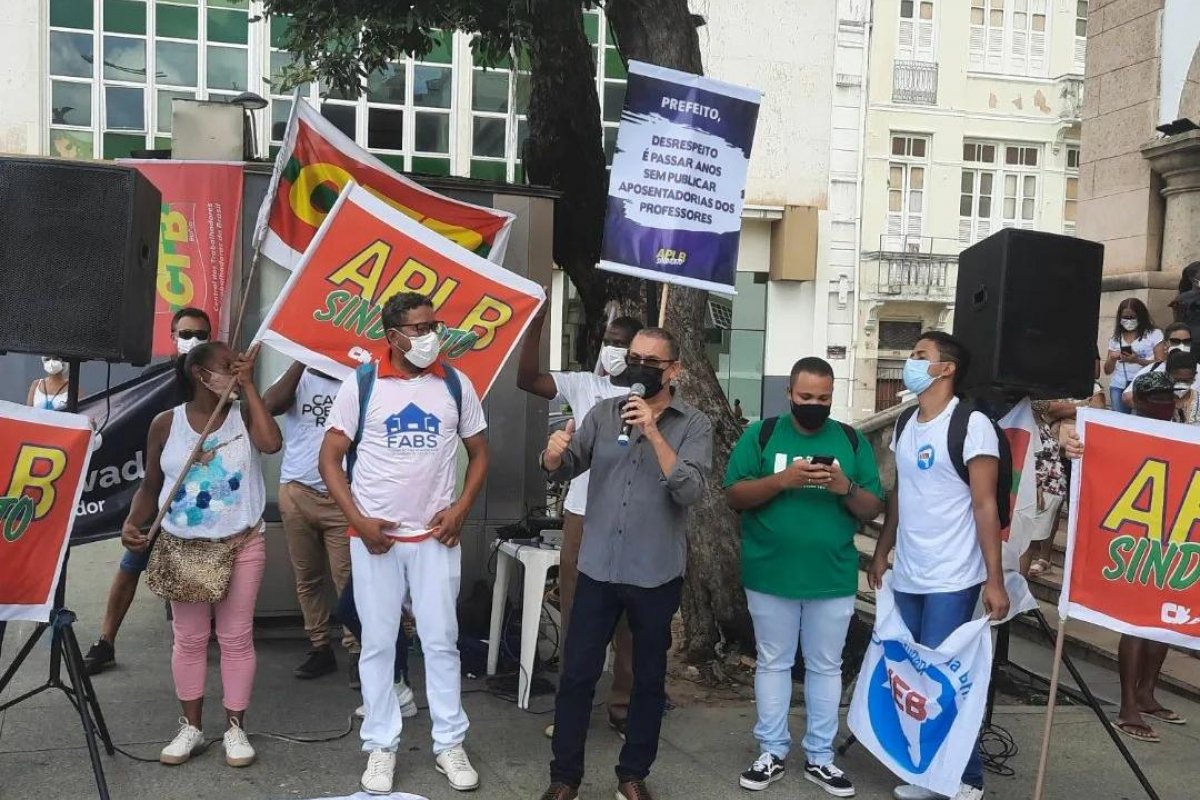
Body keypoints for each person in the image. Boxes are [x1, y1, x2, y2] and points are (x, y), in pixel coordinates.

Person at [319, 292, 488, 795]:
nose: (428, 336)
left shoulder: (456, 383)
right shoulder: (363, 384)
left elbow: (480, 453)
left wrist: (460, 510)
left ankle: (449, 743)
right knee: (377, 643)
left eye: (432, 325)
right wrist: (359, 521)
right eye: (416, 329)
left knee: (440, 640)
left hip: (436, 537)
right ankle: (380, 746)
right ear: (391, 337)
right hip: (376, 542)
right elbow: (330, 459)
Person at [538, 328, 713, 800]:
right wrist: (552, 457)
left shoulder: (694, 424)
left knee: (647, 680)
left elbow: (691, 490)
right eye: (632, 358)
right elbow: (569, 463)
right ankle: (564, 778)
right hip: (597, 567)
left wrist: (653, 432)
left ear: (672, 370)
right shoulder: (602, 414)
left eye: (649, 362)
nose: (636, 368)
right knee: (577, 674)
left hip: (654, 573)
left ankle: (633, 774)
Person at [725, 358, 883, 797]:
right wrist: (782, 480)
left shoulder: (849, 440)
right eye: (806, 397)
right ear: (789, 394)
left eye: (823, 399)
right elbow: (734, 494)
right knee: (773, 661)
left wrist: (844, 488)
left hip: (831, 575)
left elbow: (872, 507)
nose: (814, 405)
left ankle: (820, 756)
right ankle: (771, 751)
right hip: (769, 572)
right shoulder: (762, 434)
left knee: (825, 666)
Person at [120, 340, 281, 767]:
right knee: (188, 639)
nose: (238, 368)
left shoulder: (245, 414)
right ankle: (190, 727)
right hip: (182, 547)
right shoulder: (164, 424)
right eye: (229, 365)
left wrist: (248, 388)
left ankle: (235, 729)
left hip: (242, 542)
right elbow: (151, 486)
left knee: (235, 638)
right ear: (200, 373)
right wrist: (133, 524)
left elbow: (271, 443)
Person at [867, 331, 1009, 800]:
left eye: (919, 356)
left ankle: (966, 780)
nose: (910, 362)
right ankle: (929, 773)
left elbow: (985, 505)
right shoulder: (907, 422)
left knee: (942, 678)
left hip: (953, 575)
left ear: (946, 368)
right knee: (912, 676)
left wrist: (995, 579)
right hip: (909, 571)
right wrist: (882, 551)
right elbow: (900, 494)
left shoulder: (972, 425)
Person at [516, 304, 643, 738]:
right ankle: (574, 708)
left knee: (630, 619)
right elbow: (527, 380)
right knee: (577, 614)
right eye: (610, 341)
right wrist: (536, 327)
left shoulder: (653, 399)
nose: (614, 350)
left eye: (624, 344)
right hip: (583, 516)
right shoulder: (584, 384)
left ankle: (623, 706)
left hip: (633, 521)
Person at [84, 307, 214, 675]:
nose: (193, 340)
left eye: (200, 333)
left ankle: (196, 637)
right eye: (185, 333)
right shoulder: (153, 381)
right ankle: (106, 641)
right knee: (131, 565)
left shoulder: (217, 380)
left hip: (202, 498)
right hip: (157, 493)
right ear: (172, 336)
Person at [1064, 371, 1188, 742]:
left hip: (1174, 536)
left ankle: (1147, 693)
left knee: (1162, 622)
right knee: (1132, 623)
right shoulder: (1117, 432)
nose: (1164, 406)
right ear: (1141, 403)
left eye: (1169, 400)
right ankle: (1127, 705)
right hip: (1133, 539)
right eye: (1158, 400)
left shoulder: (1186, 434)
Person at [1104, 298, 1165, 414]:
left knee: (1143, 420)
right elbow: (1107, 371)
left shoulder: (1154, 334)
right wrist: (1112, 359)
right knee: (1119, 422)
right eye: (1125, 317)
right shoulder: (1115, 339)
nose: (1128, 321)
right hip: (1119, 385)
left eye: (1132, 317)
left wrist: (1137, 360)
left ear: (1140, 316)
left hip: (1144, 386)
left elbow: (1161, 363)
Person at [1120, 322, 1198, 409]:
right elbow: (1127, 398)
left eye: (1186, 342)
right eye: (1175, 341)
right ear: (1165, 344)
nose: (1182, 345)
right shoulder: (1152, 370)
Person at [1167, 351, 1200, 424]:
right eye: (1177, 380)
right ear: (1168, 375)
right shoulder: (1157, 400)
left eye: (1186, 381)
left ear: (1194, 377)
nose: (1181, 385)